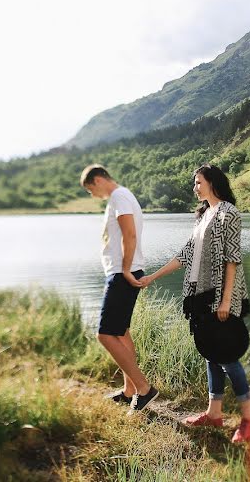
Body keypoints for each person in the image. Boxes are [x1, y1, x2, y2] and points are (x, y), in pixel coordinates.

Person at [138, 164, 250, 443]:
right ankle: (214, 414)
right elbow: (186, 255)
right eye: (194, 183)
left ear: (212, 182)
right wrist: (153, 277)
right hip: (200, 295)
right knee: (210, 351)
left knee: (227, 355)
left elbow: (232, 258)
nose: (194, 187)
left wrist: (226, 300)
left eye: (198, 182)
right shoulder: (204, 215)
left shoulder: (229, 213)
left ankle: (249, 418)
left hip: (219, 295)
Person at [80, 164, 158, 413]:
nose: (91, 195)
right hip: (121, 271)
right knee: (121, 332)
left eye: (90, 188)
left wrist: (125, 269)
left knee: (104, 334)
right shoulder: (119, 197)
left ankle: (144, 388)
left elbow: (130, 235)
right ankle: (129, 391)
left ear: (99, 179)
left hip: (122, 273)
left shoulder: (119, 196)